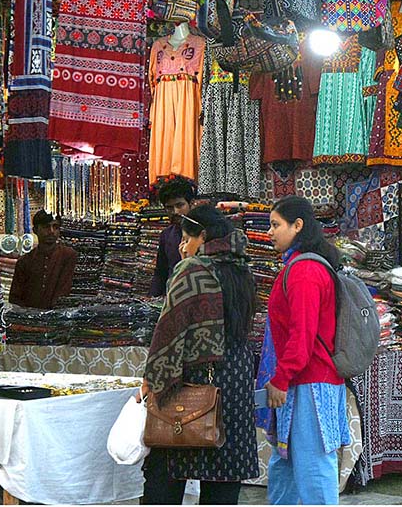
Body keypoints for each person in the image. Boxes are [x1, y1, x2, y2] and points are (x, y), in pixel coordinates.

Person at [139, 204, 259, 504]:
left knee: (167, 468)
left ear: (202, 236)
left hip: (193, 383)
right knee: (224, 470)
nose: (182, 246)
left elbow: (169, 331)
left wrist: (153, 381)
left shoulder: (192, 269)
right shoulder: (242, 269)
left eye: (186, 238)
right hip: (235, 380)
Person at [263, 195, 350, 505]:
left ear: (297, 226)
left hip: (310, 383)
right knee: (285, 466)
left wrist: (282, 378)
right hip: (306, 380)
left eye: (276, 225)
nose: (269, 232)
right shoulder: (304, 268)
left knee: (313, 469)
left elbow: (302, 336)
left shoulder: (305, 272)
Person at [8, 210, 77, 309]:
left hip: (61, 317)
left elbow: (66, 290)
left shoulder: (69, 256)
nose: (51, 231)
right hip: (31, 319)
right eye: (46, 227)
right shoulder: (25, 261)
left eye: (55, 227)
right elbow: (15, 297)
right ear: (35, 230)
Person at [149, 177, 195, 297]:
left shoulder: (203, 233)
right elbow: (161, 271)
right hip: (172, 297)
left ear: (191, 204)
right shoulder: (167, 235)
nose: (175, 211)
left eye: (179, 205)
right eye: (169, 207)